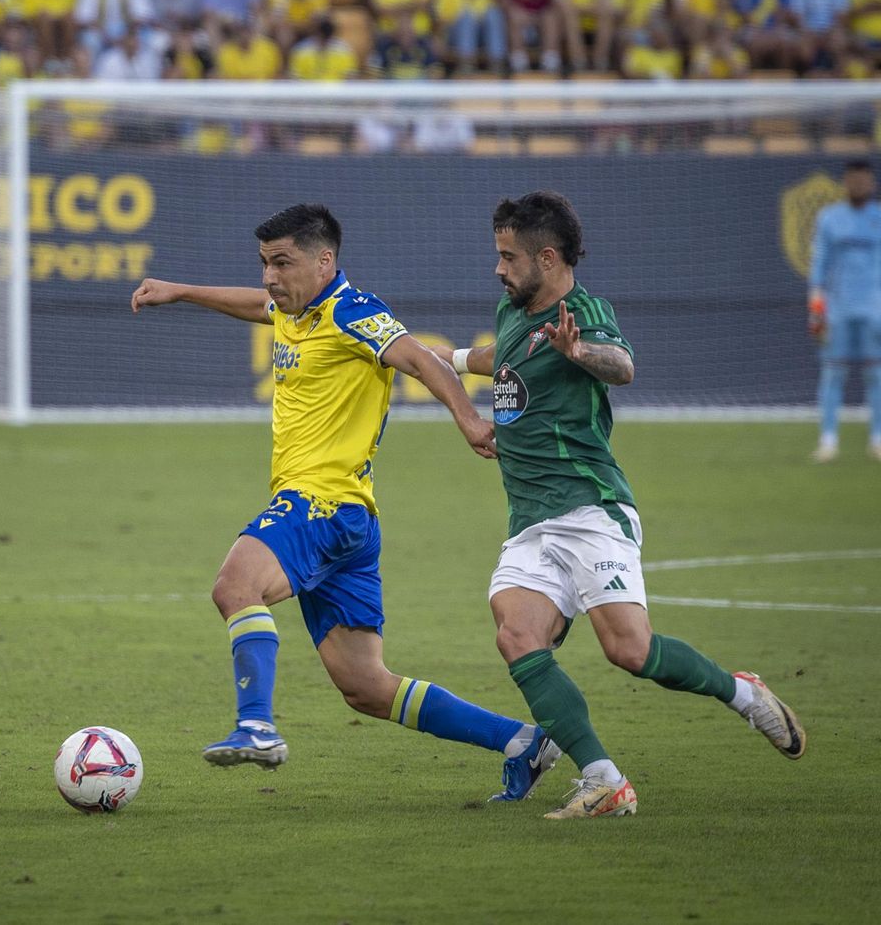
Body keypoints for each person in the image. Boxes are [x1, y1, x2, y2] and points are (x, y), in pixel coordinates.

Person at [130, 204, 559, 804]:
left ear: (324, 260)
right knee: (368, 688)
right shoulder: (292, 310)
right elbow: (256, 307)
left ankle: (255, 726)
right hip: (351, 520)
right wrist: (179, 291)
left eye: (282, 263)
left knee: (235, 587)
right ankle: (523, 743)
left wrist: (467, 418)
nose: (269, 278)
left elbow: (420, 357)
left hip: (321, 505)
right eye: (263, 264)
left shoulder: (352, 311)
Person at [443, 191, 805, 820]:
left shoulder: (584, 312)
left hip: (590, 507)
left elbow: (622, 365)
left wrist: (579, 352)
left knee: (629, 651)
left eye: (507, 257)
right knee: (516, 634)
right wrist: (426, 360)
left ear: (547, 257)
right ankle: (604, 780)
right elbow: (495, 359)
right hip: (530, 520)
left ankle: (742, 694)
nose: (498, 268)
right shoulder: (512, 311)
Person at [808, 160, 881, 461]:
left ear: (872, 183)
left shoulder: (878, 218)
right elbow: (819, 264)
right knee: (832, 373)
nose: (859, 185)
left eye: (863, 180)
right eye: (854, 180)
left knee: (875, 375)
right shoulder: (829, 219)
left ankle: (877, 438)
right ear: (845, 182)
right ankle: (828, 439)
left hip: (874, 309)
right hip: (837, 309)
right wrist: (816, 306)